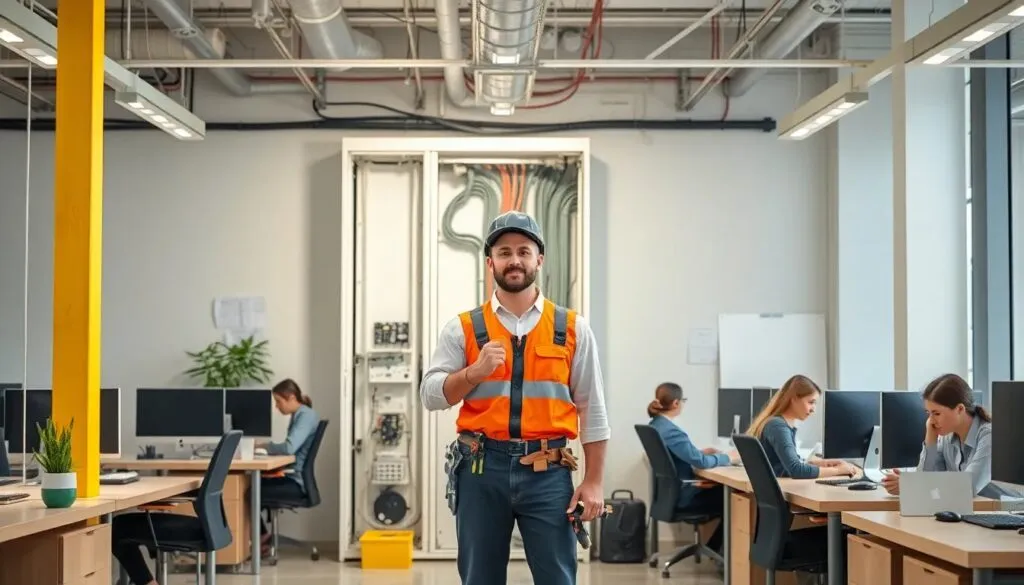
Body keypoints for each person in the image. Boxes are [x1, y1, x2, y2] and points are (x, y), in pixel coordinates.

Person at [421, 210, 610, 585]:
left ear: (539, 259)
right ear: (490, 262)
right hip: (480, 468)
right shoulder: (464, 327)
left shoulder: (571, 328)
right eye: (504, 252)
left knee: (558, 577)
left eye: (524, 251)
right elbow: (430, 395)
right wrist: (473, 373)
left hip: (548, 470)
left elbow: (593, 410)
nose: (515, 260)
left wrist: (594, 481)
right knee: (480, 578)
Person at [647, 382, 738, 554]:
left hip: (669, 497)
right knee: (731, 498)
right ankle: (720, 556)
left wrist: (699, 452)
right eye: (683, 400)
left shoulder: (656, 426)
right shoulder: (671, 431)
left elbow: (682, 456)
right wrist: (728, 457)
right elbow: (701, 463)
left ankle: (715, 551)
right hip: (685, 497)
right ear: (675, 403)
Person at [881, 373, 1005, 498]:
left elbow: (967, 488)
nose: (931, 421)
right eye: (928, 413)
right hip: (971, 510)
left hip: (1006, 512)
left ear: (960, 409)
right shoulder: (947, 437)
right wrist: (930, 440)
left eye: (937, 413)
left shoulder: (990, 436)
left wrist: (910, 485)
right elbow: (929, 477)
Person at [747, 375, 859, 479]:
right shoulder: (778, 426)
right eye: (811, 402)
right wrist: (837, 470)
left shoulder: (780, 424)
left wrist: (820, 464)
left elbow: (782, 466)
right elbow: (796, 470)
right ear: (794, 399)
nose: (813, 409)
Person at [255, 378, 320, 553]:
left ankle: (261, 537)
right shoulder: (300, 415)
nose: (277, 407)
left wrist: (265, 446)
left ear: (291, 397)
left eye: (279, 401)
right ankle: (260, 537)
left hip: (296, 483)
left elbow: (290, 447)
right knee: (249, 485)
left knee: (248, 491)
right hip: (293, 477)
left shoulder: (305, 416)